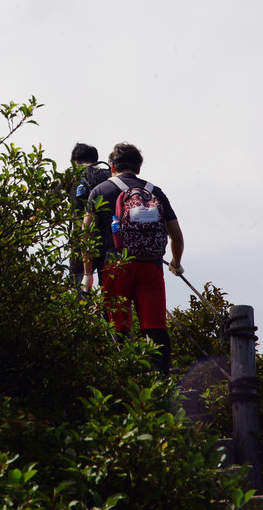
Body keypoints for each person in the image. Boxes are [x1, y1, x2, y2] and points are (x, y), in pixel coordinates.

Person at [83, 142, 184, 374]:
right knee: (155, 326)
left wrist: (88, 274)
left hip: (116, 265)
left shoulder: (99, 191)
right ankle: (161, 381)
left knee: (118, 325)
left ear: (112, 167)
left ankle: (126, 377)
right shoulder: (154, 191)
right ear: (138, 168)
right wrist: (176, 264)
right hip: (152, 267)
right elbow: (177, 236)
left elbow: (84, 236)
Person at [69, 143, 111, 298]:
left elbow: (47, 201)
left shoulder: (71, 175)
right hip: (108, 242)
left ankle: (81, 318)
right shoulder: (109, 175)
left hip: (82, 240)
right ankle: (108, 320)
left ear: (75, 160)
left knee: (79, 286)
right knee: (109, 289)